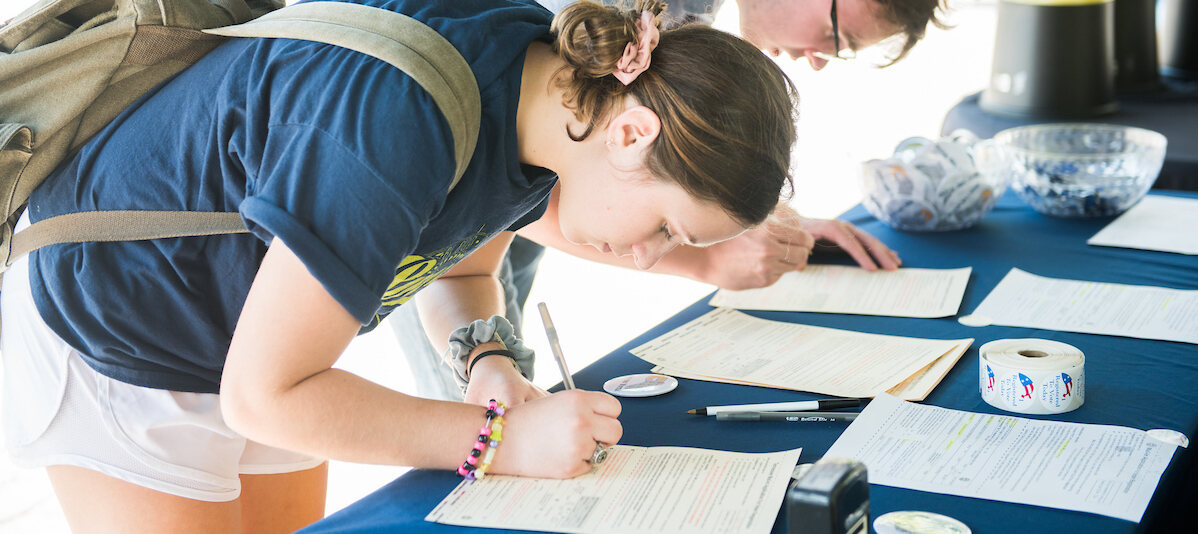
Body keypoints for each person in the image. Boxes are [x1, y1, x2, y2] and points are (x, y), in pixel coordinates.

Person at [0, 0, 800, 531]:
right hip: (115, 333)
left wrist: (488, 359)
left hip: (250, 339)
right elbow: (266, 396)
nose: (646, 257)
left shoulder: (543, 105)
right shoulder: (399, 125)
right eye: (666, 227)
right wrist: (499, 442)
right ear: (631, 136)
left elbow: (458, 272)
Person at [395, 0, 947, 402]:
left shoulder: (680, 17)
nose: (822, 58)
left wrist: (730, 216)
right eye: (838, 35)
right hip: (425, 197)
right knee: (468, 416)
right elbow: (529, 175)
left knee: (495, 376)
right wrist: (703, 258)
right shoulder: (452, 137)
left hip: (474, 236)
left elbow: (639, 165)